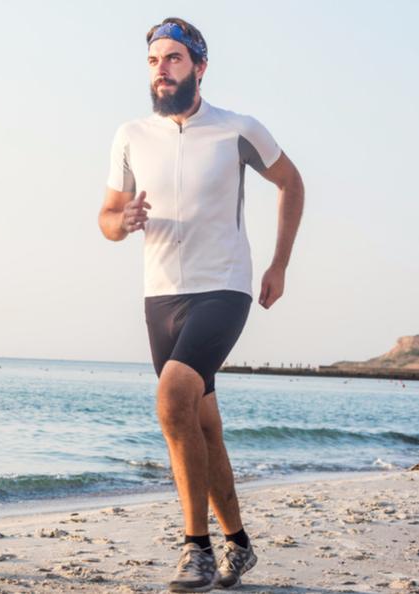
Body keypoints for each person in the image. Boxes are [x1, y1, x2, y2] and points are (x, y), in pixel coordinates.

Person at [99, 18, 304, 592]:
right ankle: (238, 544)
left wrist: (279, 263)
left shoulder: (238, 129)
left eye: (173, 59)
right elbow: (106, 218)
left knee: (172, 400)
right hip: (160, 295)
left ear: (199, 67)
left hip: (224, 287)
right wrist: (123, 222)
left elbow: (292, 183)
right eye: (153, 61)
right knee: (203, 425)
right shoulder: (130, 135)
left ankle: (197, 549)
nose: (161, 70)